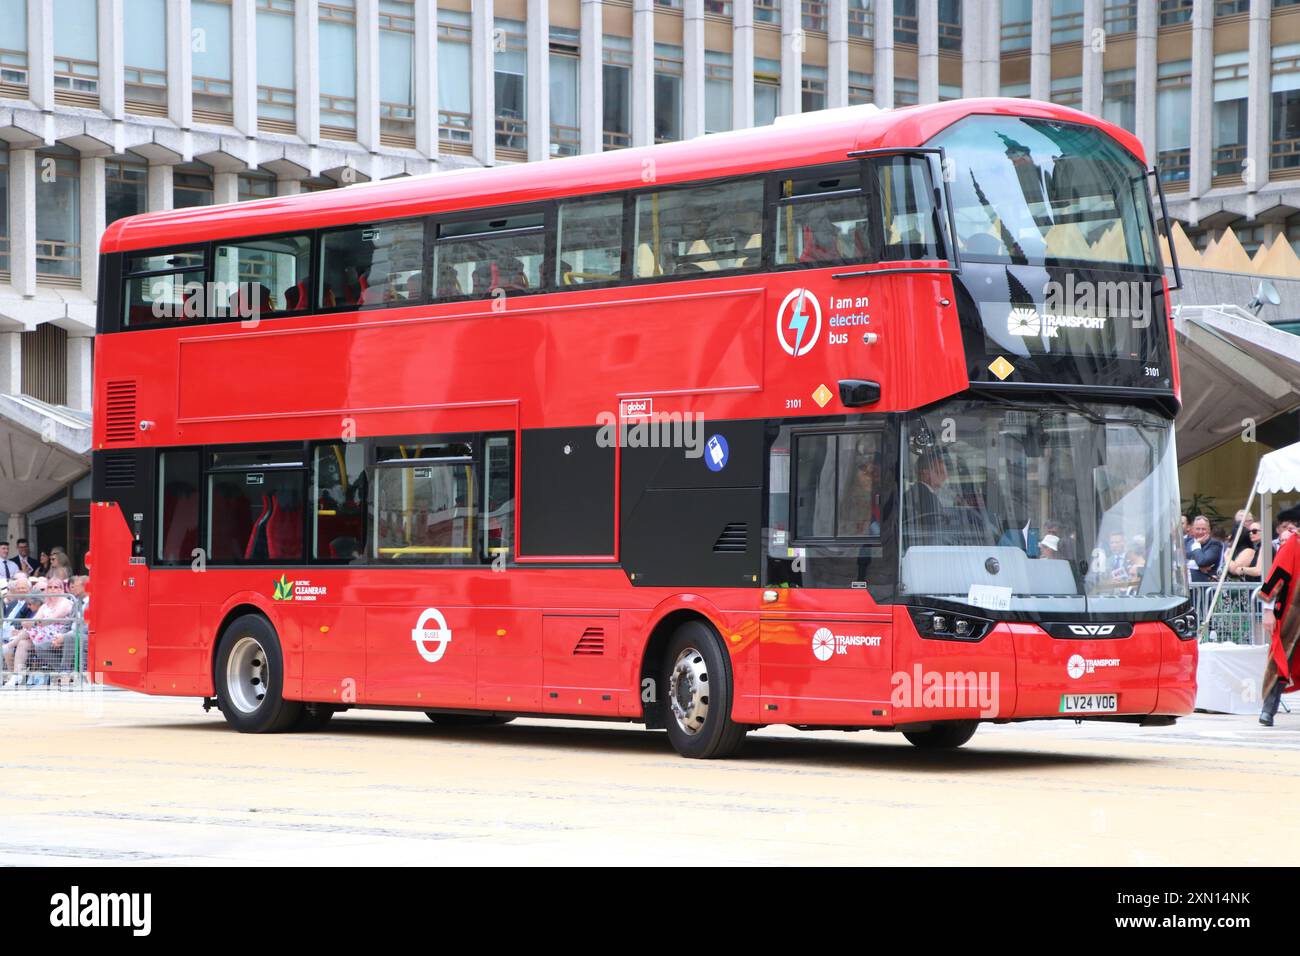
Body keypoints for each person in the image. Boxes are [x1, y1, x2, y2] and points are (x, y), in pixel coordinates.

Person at [1259, 506, 1300, 726]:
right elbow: (1277, 576)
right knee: (1281, 661)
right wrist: (1268, 611)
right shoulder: (1293, 543)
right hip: (1293, 615)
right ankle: (1268, 709)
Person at [1185, 515, 1224, 583]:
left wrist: (1196, 544)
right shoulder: (1186, 541)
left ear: (1209, 530)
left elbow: (1202, 562)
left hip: (1203, 586)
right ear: (1192, 529)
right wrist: (1195, 566)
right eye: (1198, 529)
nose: (1200, 532)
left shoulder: (1214, 544)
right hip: (1186, 586)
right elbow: (1177, 561)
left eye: (1203, 529)